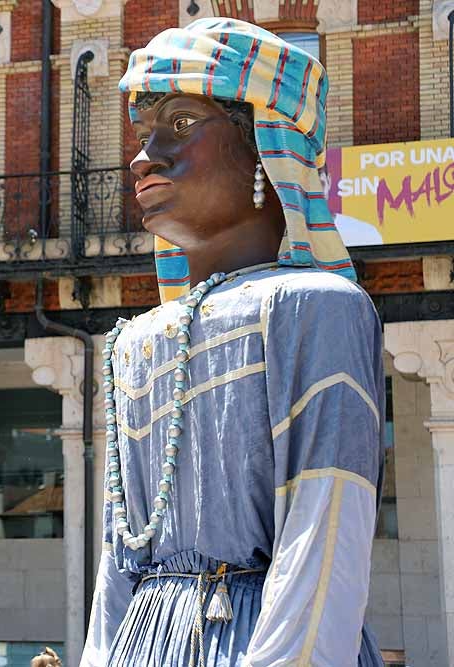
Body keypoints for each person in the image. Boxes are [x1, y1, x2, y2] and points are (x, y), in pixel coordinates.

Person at [81, 18, 385, 667]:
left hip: (261, 640)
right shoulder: (135, 340)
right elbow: (117, 561)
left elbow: (323, 541)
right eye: (142, 133)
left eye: (182, 125)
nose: (143, 155)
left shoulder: (320, 308)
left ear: (265, 146)